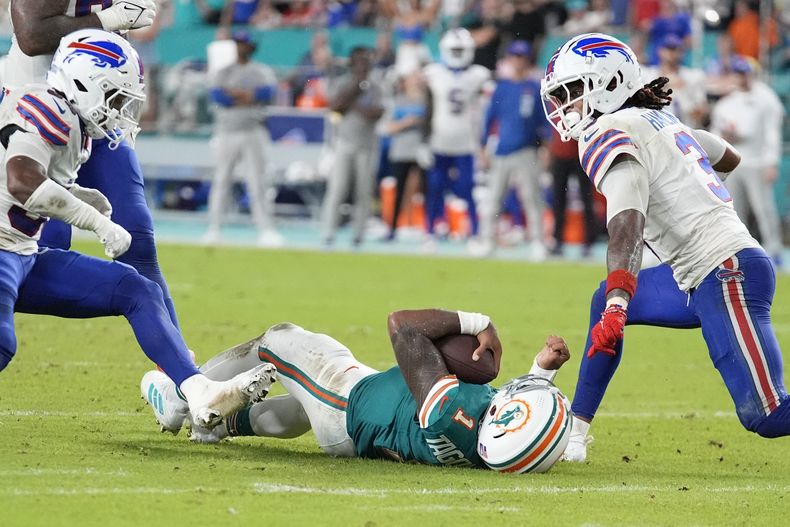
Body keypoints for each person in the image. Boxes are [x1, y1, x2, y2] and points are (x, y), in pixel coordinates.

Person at [0, 29, 274, 430]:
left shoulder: (76, 127)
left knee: (136, 288)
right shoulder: (44, 106)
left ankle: (197, 391)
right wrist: (94, 221)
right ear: (83, 83)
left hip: (21, 253)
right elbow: (21, 181)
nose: (120, 109)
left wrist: (80, 195)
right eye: (114, 97)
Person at [540, 32, 790, 462]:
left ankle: (577, 432)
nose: (567, 104)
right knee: (603, 300)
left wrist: (621, 302)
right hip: (701, 273)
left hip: (726, 271)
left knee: (766, 415)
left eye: (575, 90)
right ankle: (576, 435)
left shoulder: (609, 129)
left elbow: (626, 224)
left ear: (609, 83)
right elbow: (727, 156)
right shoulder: (662, 122)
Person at [141, 309, 572, 473]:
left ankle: (184, 395)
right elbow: (514, 421)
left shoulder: (451, 413)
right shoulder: (489, 444)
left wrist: (477, 323)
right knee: (295, 412)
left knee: (278, 340)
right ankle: (219, 427)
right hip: (361, 427)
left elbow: (402, 326)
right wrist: (541, 370)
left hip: (348, 401)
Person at [9, 0, 181, 328]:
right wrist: (109, 18)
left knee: (137, 238)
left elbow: (109, 50)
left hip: (96, 114)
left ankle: (181, 374)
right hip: (38, 113)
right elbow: (31, 36)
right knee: (44, 243)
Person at [204, 31, 282, 247]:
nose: (241, 47)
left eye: (244, 44)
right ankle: (214, 227)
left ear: (251, 47)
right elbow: (219, 97)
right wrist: (247, 95)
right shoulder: (223, 71)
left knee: (258, 181)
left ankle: (266, 229)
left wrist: (240, 94)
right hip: (227, 130)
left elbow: (267, 93)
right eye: (238, 43)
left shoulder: (260, 71)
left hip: (253, 129)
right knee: (221, 180)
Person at [711, 57, 785, 266]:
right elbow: (716, 133)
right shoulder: (726, 103)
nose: (741, 77)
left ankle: (775, 249)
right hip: (732, 164)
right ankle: (741, 252)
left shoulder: (765, 99)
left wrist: (772, 162)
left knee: (764, 209)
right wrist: (725, 137)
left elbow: (772, 133)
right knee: (734, 211)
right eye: (737, 73)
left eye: (744, 73)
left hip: (757, 161)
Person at [477, 40, 546, 259]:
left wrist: (545, 149)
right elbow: (489, 120)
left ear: (526, 59)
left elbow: (542, 122)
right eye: (514, 56)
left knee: (531, 198)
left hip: (527, 150)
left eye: (521, 56)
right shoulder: (502, 87)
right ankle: (487, 240)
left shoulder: (534, 88)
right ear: (509, 59)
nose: (518, 60)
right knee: (494, 198)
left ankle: (537, 241)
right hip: (502, 150)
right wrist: (483, 148)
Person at [423, 29, 490, 250]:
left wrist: (483, 143)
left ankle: (475, 234)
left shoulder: (479, 75)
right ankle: (431, 232)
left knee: (467, 189)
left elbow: (486, 109)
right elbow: (428, 108)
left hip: (466, 143)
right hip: (439, 141)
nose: (458, 53)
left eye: (461, 49)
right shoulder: (433, 73)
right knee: (435, 189)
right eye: (455, 50)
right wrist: (424, 141)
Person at [320, 47, 384, 249]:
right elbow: (335, 106)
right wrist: (354, 90)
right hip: (344, 142)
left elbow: (376, 113)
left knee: (363, 192)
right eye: (359, 61)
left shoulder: (376, 87)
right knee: (337, 189)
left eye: (366, 61)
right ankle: (328, 232)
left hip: (367, 145)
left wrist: (353, 104)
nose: (363, 65)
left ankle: (358, 235)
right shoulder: (342, 83)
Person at [381, 71, 427, 241]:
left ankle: (425, 228)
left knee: (424, 190)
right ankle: (393, 227)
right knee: (399, 191)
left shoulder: (428, 101)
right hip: (401, 151)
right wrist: (406, 122)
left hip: (421, 151)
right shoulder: (397, 101)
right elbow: (387, 127)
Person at [642, 34, 707, 128]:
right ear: (660, 51)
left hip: (685, 131)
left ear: (682, 52)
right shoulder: (648, 74)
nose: (672, 53)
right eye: (669, 48)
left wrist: (684, 91)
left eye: (676, 49)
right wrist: (665, 84)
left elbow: (701, 116)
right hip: (655, 131)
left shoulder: (692, 76)